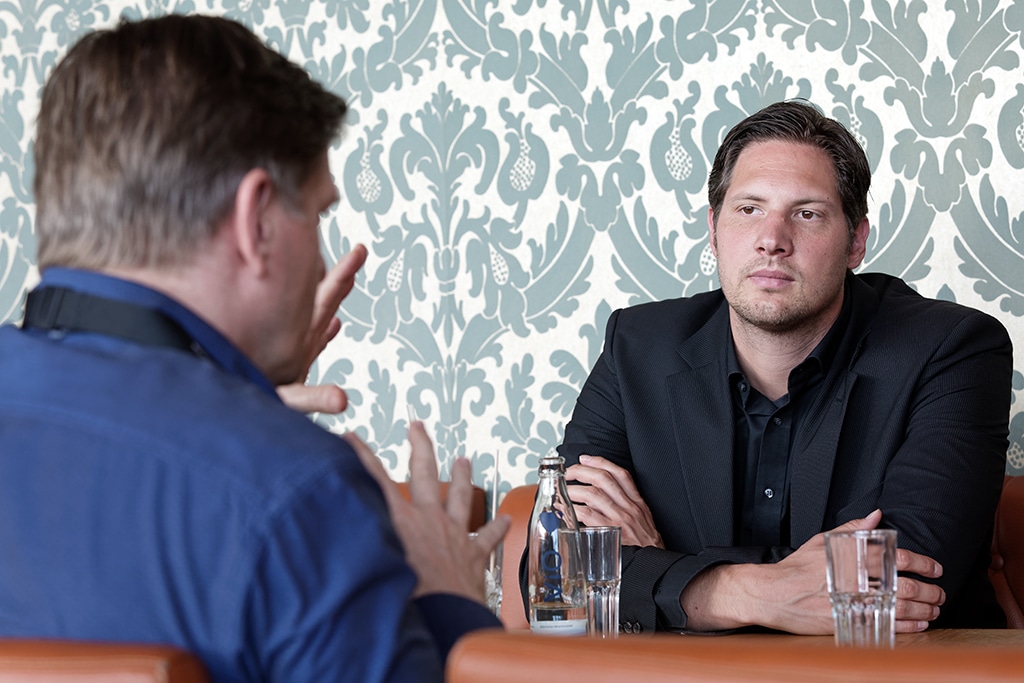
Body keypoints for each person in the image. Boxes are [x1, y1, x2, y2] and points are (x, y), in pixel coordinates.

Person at [0, 14, 508, 683]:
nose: (321, 258)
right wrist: (452, 602)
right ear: (256, 220)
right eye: (319, 215)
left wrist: (237, 396)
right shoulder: (297, 490)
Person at [533, 100, 1012, 635]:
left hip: (885, 672)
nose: (772, 240)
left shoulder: (953, 350)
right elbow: (560, 566)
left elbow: (899, 584)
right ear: (714, 230)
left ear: (856, 241)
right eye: (749, 209)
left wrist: (662, 567)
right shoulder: (637, 348)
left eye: (807, 213)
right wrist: (748, 592)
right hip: (680, 674)